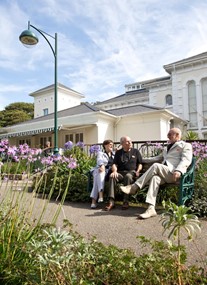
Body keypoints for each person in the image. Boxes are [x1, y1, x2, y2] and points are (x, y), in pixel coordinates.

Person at [120, 128, 193, 219]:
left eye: (170, 134)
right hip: (164, 173)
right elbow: (157, 158)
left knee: (156, 166)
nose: (167, 136)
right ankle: (151, 209)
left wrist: (178, 170)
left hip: (174, 174)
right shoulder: (167, 147)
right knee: (155, 178)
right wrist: (141, 159)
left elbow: (186, 160)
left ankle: (134, 187)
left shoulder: (185, 145)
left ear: (177, 135)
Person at [104, 136, 142, 211]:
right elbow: (114, 164)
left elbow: (140, 163)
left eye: (130, 141)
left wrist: (138, 171)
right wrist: (114, 171)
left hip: (131, 173)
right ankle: (111, 202)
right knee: (112, 176)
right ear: (122, 144)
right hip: (120, 173)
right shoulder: (118, 153)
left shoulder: (136, 151)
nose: (130, 142)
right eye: (128, 141)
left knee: (128, 176)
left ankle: (125, 201)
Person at [90, 139, 114, 209]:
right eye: (110, 144)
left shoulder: (114, 154)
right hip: (100, 170)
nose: (111, 146)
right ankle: (100, 195)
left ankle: (94, 201)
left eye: (112, 145)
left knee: (96, 181)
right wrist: (102, 165)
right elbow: (99, 160)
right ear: (105, 145)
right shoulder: (101, 153)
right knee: (100, 172)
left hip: (108, 172)